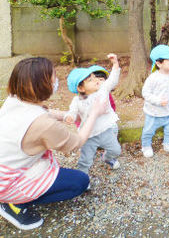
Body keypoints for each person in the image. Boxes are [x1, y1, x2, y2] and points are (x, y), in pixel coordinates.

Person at [0, 57, 107, 230]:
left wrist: (65, 116)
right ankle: (13, 204)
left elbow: (44, 111)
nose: (56, 81)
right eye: (53, 78)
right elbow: (76, 142)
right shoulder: (44, 125)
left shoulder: (14, 99)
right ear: (41, 85)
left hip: (6, 163)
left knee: (62, 173)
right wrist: (94, 113)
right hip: (7, 181)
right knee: (81, 182)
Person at [64, 55, 122, 175]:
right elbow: (73, 111)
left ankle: (107, 158)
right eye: (90, 80)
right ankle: (83, 176)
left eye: (94, 77)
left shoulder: (103, 90)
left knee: (116, 150)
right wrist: (70, 116)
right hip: (88, 136)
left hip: (105, 131)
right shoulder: (77, 101)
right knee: (85, 159)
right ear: (80, 88)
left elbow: (113, 80)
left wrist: (115, 64)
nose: (96, 80)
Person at [141, 45, 169, 158]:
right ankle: (146, 146)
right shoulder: (153, 78)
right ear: (159, 63)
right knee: (148, 131)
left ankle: (168, 144)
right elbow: (145, 93)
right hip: (153, 112)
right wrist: (158, 101)